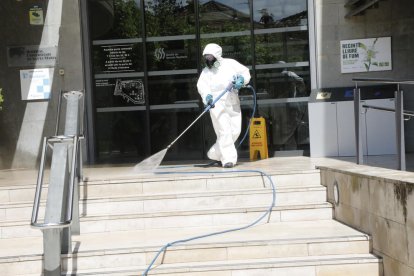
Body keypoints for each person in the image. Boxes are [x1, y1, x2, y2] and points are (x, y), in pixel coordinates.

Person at [197, 43, 251, 168]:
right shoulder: (206, 72)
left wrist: (242, 80)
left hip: (232, 101)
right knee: (224, 131)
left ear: (217, 56)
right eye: (206, 57)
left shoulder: (230, 64)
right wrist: (207, 97)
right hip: (216, 103)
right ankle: (228, 160)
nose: (208, 60)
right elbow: (202, 86)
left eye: (210, 57)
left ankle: (215, 153)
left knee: (235, 131)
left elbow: (245, 72)